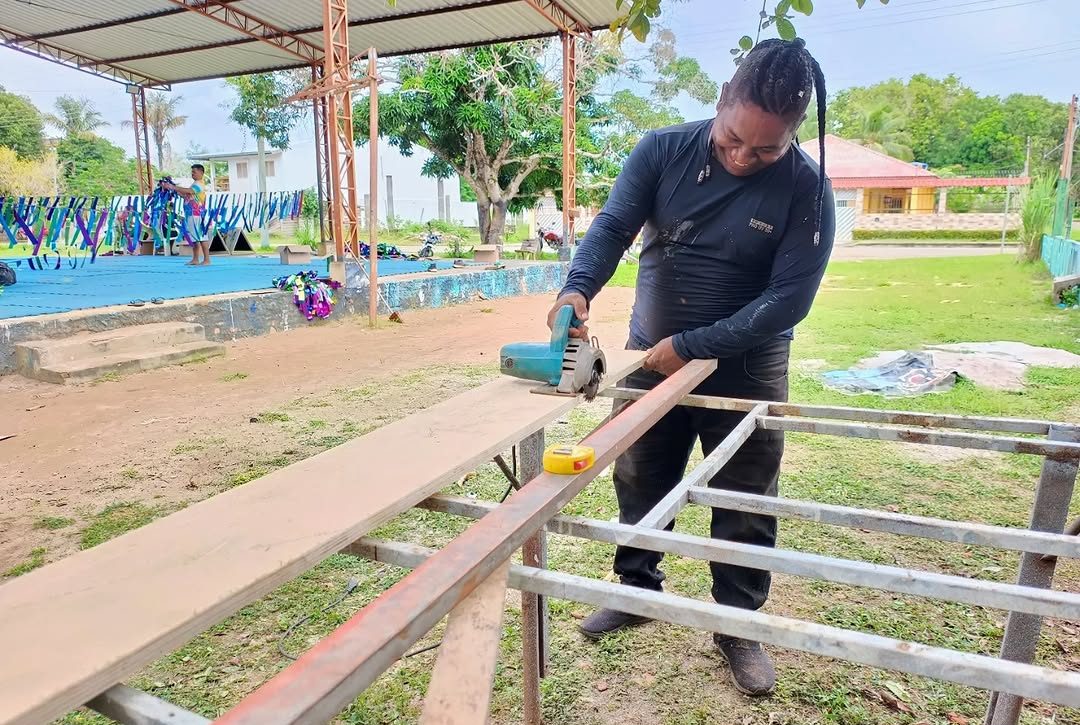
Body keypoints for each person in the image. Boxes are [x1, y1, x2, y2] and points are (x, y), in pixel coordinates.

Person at [546, 38, 835, 697]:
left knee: (744, 496)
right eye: (734, 138)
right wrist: (578, 287)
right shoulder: (662, 150)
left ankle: (737, 622)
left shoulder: (807, 190)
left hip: (749, 367)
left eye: (765, 150)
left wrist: (697, 342)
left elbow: (788, 300)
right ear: (720, 103)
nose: (742, 156)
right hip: (654, 353)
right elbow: (614, 225)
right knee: (641, 473)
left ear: (791, 137)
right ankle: (638, 588)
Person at [166, 164, 210, 266]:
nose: (192, 174)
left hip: (196, 214)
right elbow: (186, 195)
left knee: (201, 237)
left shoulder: (199, 184)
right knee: (195, 237)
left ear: (201, 172)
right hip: (191, 213)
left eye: (194, 172)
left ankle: (207, 259)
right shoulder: (195, 184)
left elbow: (188, 191)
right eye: (192, 172)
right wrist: (172, 188)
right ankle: (195, 259)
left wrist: (173, 187)